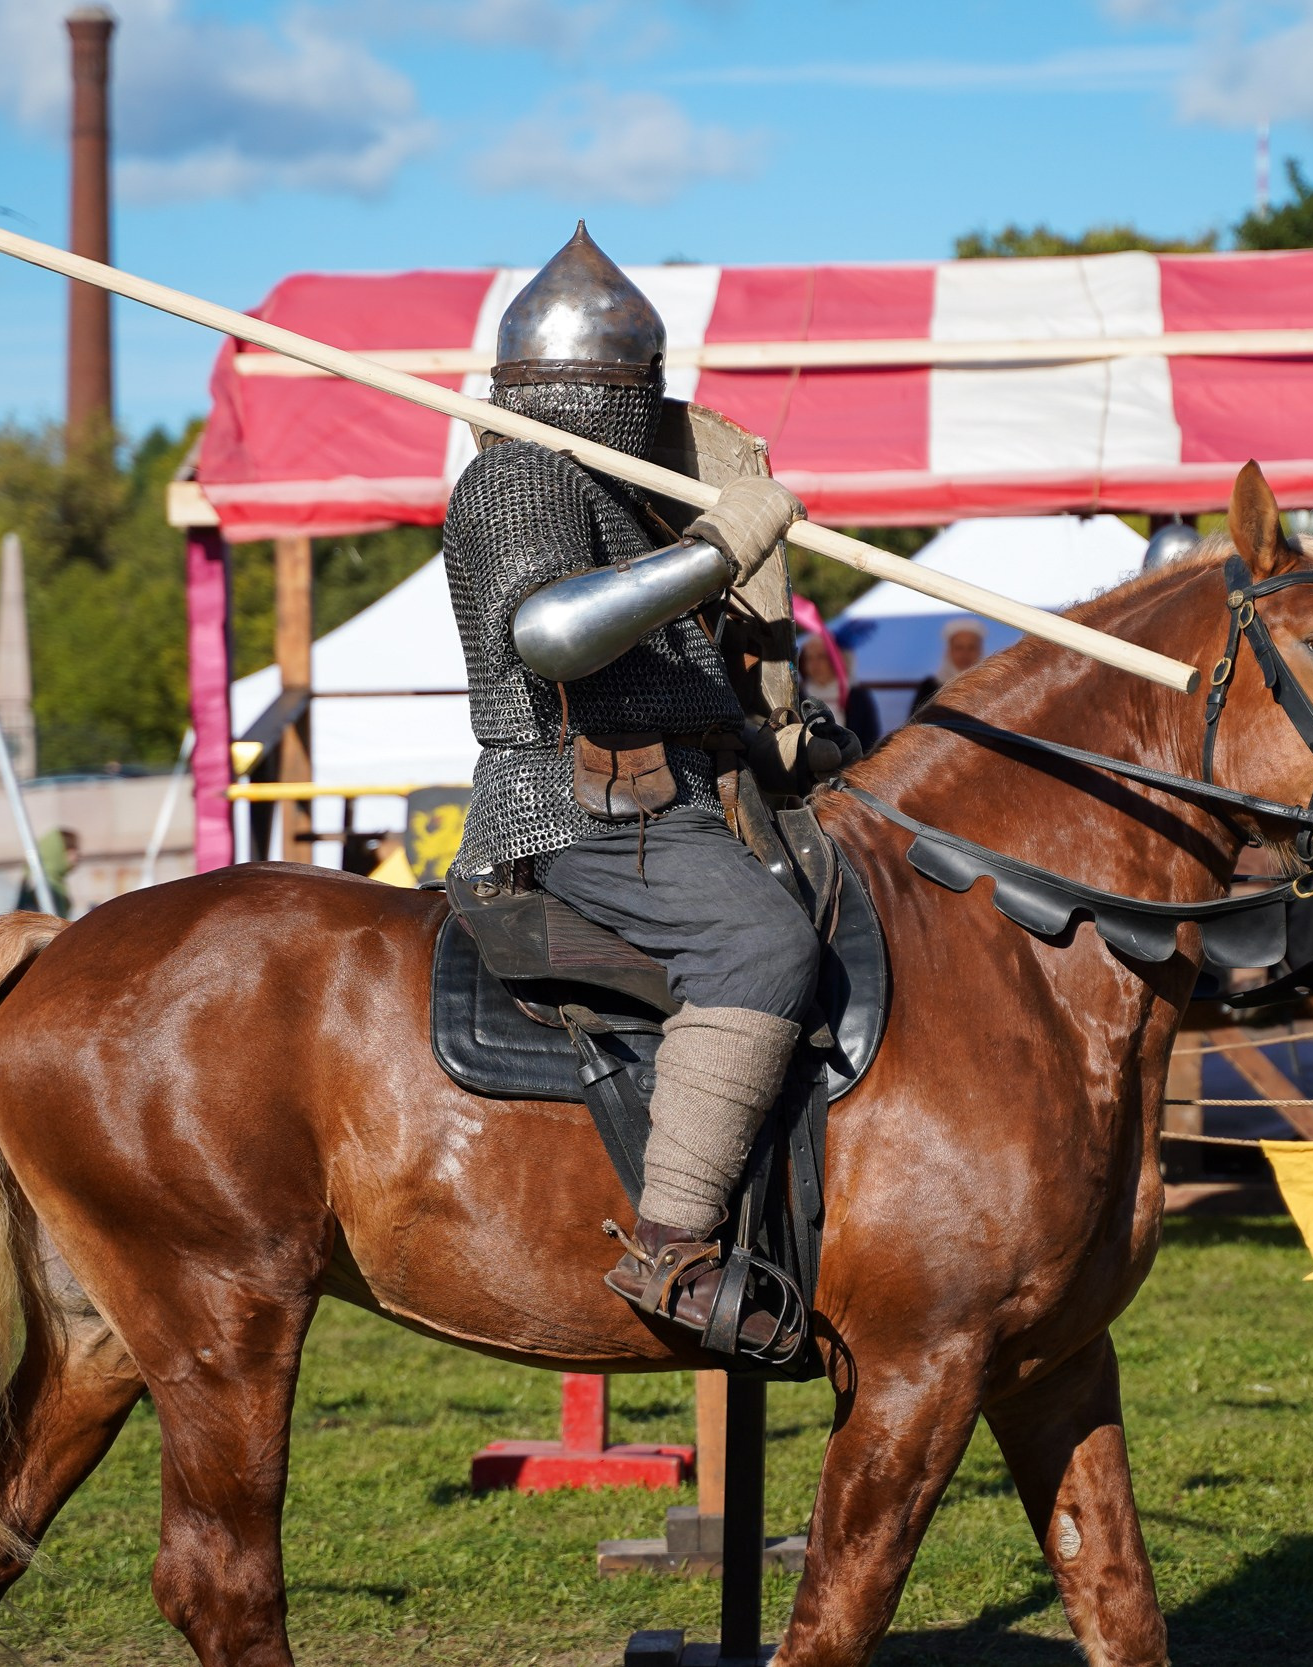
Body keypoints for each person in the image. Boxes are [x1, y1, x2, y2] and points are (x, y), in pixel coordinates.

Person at [441, 224, 821, 1354]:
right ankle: (669, 1244)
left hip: (684, 802)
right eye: (617, 388)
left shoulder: (634, 491)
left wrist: (783, 733)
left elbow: (684, 677)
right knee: (760, 947)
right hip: (580, 813)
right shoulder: (519, 475)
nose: (628, 408)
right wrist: (713, 551)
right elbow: (553, 633)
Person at [796, 635, 880, 753]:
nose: (814, 664)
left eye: (821, 657)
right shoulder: (797, 697)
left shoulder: (858, 697)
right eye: (809, 658)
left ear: (838, 660)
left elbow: (870, 742)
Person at [909, 615, 986, 711]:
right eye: (959, 648)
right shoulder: (929, 688)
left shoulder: (990, 686)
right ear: (949, 651)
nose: (965, 654)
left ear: (980, 651)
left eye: (971, 648)